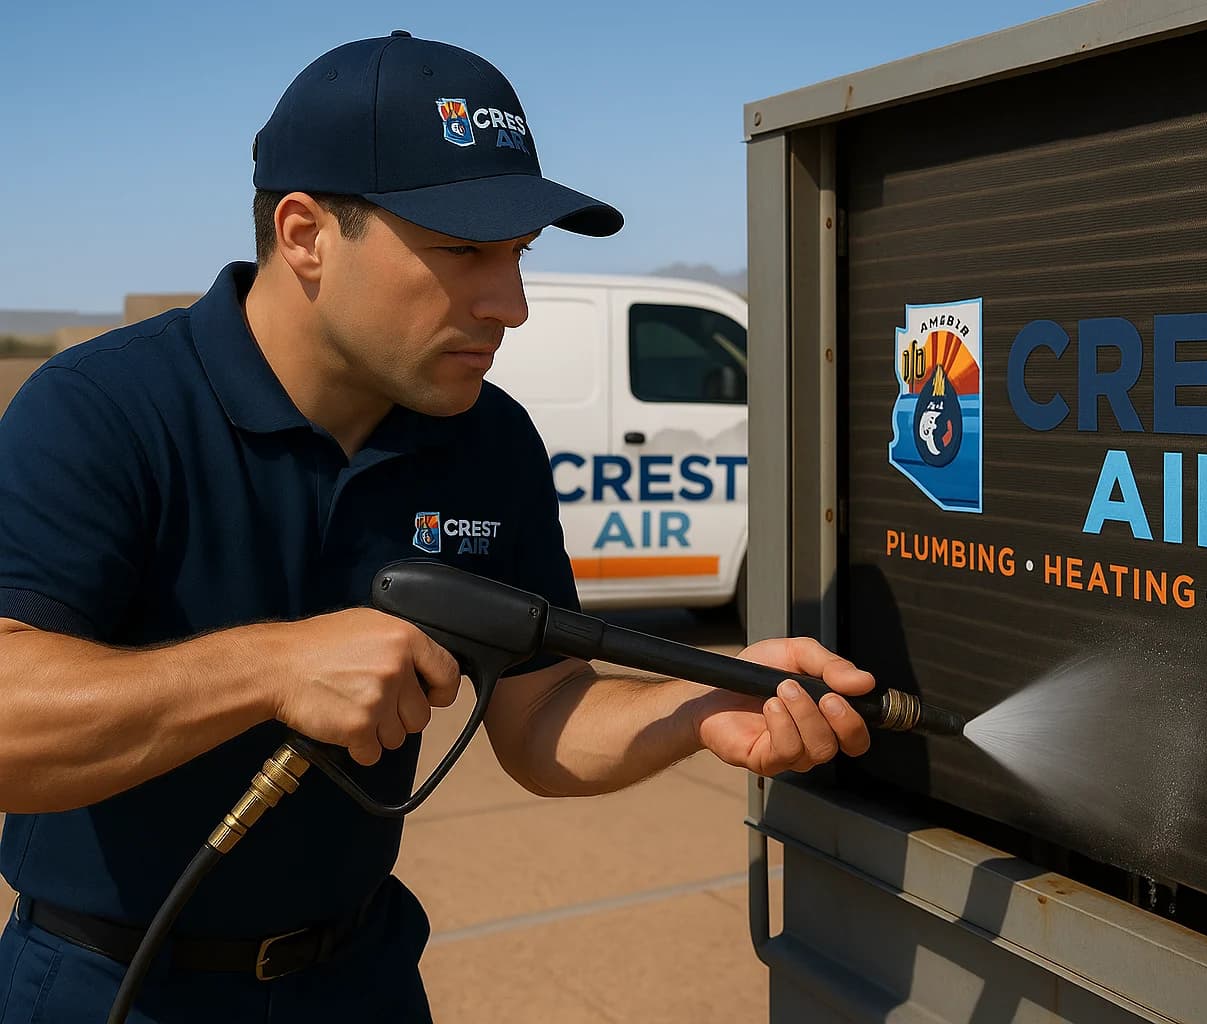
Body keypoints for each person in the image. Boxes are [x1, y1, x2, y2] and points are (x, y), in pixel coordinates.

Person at [0, 32, 874, 1022]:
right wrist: (271, 669)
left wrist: (699, 707)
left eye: (518, 254)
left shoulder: (489, 441)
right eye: (464, 250)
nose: (512, 305)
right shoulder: (103, 410)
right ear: (305, 235)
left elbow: (541, 717)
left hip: (359, 979)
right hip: (105, 984)